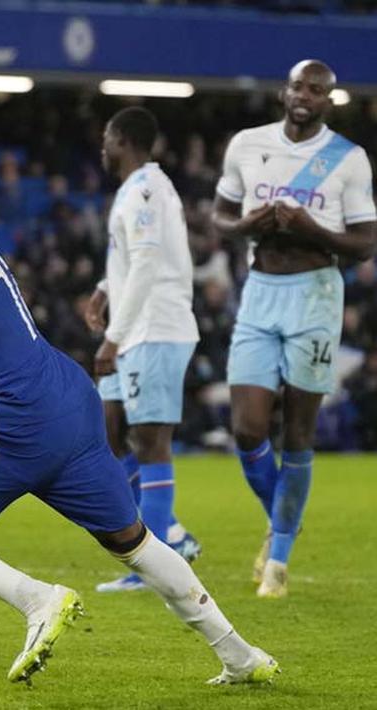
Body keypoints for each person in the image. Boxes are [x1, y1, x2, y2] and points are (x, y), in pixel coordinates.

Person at [0, 151, 277, 685]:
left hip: (18, 418)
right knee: (135, 542)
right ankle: (239, 654)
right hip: (69, 401)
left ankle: (37, 600)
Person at [211, 60, 375, 598]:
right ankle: (282, 519)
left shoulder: (348, 160)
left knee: (298, 432)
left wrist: (310, 227)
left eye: (317, 90)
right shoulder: (246, 145)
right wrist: (247, 227)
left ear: (330, 100)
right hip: (260, 294)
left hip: (316, 297)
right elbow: (220, 218)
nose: (306, 96)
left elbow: (364, 243)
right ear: (284, 91)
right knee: (247, 428)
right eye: (299, 86)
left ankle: (278, 562)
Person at [88, 107, 202, 593]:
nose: (101, 147)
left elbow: (150, 263)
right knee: (111, 432)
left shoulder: (146, 191)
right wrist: (104, 286)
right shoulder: (135, 189)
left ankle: (157, 562)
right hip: (137, 327)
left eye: (105, 138)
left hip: (154, 329)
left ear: (121, 140)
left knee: (151, 441)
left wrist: (114, 337)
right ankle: (171, 532)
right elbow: (134, 259)